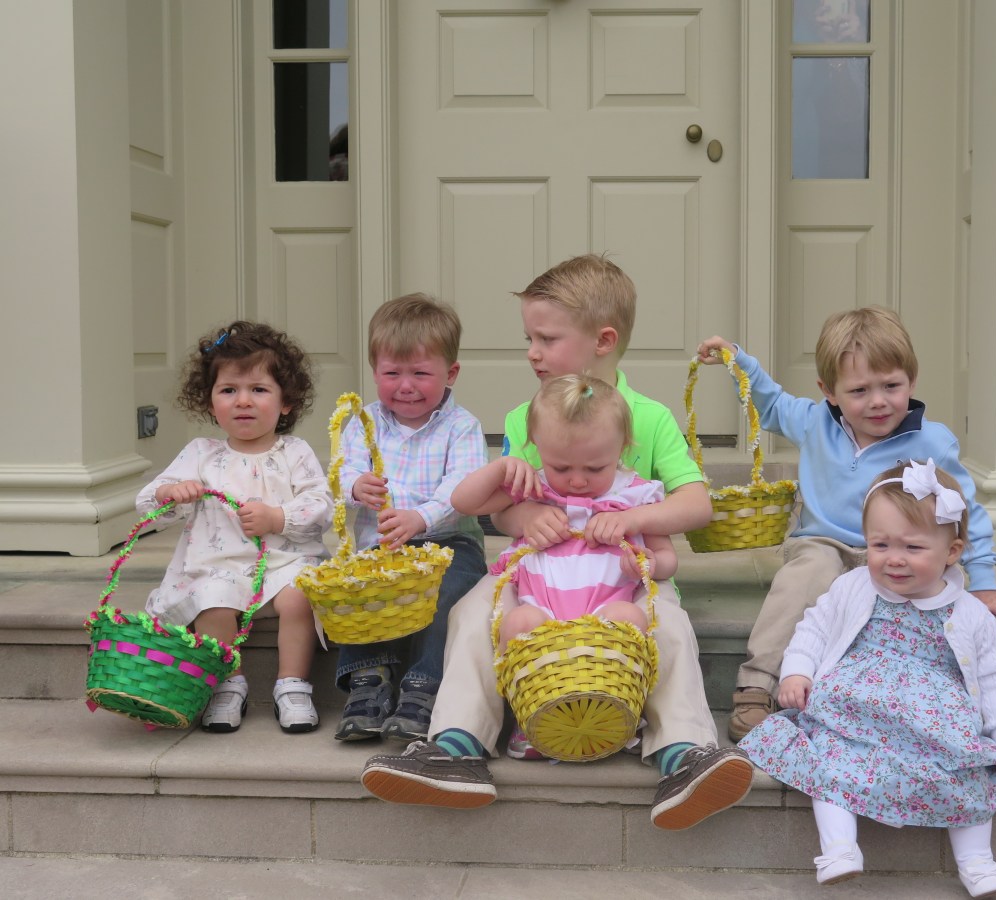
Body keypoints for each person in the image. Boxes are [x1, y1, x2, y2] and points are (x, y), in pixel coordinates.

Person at [360, 253, 754, 830]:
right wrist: (526, 517)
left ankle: (683, 750)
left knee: (668, 623)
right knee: (474, 612)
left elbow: (696, 503)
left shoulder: (649, 417)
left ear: (603, 340)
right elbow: (503, 505)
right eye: (530, 338)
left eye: (546, 338)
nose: (532, 352)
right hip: (538, 572)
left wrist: (631, 519)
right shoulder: (526, 416)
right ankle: (457, 746)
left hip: (622, 574)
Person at [697, 308, 996, 743]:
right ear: (829, 392)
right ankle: (759, 683)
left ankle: (907, 703)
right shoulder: (814, 422)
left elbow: (964, 511)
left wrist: (983, 581)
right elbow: (770, 404)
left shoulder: (933, 441)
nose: (878, 401)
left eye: (891, 386)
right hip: (824, 543)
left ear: (912, 381)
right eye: (859, 390)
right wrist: (740, 361)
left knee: (920, 589)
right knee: (808, 575)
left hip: (895, 550)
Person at [739, 460, 996, 897]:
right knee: (829, 759)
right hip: (853, 709)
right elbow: (814, 628)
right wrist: (797, 671)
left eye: (913, 547)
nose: (894, 559)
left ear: (952, 552)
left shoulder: (971, 614)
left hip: (935, 722)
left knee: (969, 773)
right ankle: (839, 848)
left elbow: (995, 679)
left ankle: (977, 861)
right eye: (880, 544)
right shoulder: (853, 586)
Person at [137, 321, 333, 734]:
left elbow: (321, 505)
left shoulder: (294, 452)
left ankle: (292, 685)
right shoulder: (201, 454)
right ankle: (228, 683)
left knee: (302, 595)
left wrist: (278, 518)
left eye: (258, 389)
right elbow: (148, 503)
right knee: (212, 601)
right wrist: (172, 493)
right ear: (210, 403)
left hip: (284, 563)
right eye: (228, 390)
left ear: (286, 402)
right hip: (220, 567)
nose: (243, 401)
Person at [332, 293, 489, 743]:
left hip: (448, 544)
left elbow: (463, 488)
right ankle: (368, 680)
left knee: (445, 593)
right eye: (391, 373)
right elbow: (340, 472)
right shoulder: (364, 423)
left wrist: (420, 518)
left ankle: (423, 685)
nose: (405, 386)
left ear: (450, 373)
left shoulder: (461, 427)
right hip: (378, 549)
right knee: (357, 591)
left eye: (420, 374)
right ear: (374, 372)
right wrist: (354, 485)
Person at [452, 374, 674, 653]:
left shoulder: (635, 495)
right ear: (537, 446)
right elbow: (463, 503)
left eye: (595, 469)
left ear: (623, 447)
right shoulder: (534, 485)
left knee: (629, 618)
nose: (577, 481)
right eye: (561, 468)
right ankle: (522, 679)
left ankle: (608, 679)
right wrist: (501, 467)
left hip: (609, 609)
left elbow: (667, 558)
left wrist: (650, 564)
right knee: (518, 621)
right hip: (538, 609)